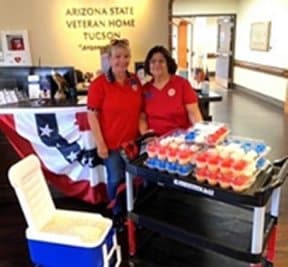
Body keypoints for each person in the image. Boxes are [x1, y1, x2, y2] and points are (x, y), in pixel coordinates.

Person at [87, 39, 143, 228]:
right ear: (109, 59)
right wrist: (100, 144)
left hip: (133, 144)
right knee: (115, 179)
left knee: (135, 179)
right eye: (117, 56)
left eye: (126, 56)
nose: (122, 61)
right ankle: (117, 214)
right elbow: (92, 116)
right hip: (111, 145)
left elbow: (141, 112)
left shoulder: (135, 80)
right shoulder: (98, 84)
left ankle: (133, 212)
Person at [141, 45, 203, 136]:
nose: (157, 64)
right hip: (153, 140)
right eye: (153, 61)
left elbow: (193, 113)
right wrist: (145, 134)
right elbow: (142, 117)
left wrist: (201, 134)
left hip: (179, 140)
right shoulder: (145, 89)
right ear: (148, 65)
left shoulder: (182, 84)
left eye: (161, 61)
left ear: (168, 64)